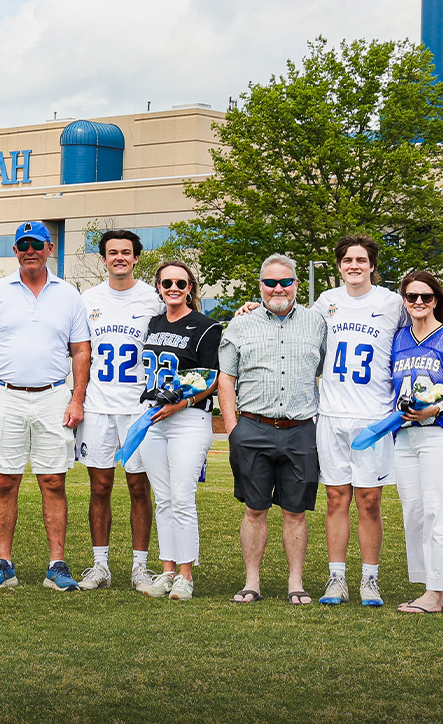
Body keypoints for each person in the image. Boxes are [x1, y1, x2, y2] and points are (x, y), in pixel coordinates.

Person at [0, 221, 92, 591]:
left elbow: (81, 350)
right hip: (5, 395)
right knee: (5, 481)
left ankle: (57, 565)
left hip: (54, 394)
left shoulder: (69, 294)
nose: (30, 250)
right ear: (16, 250)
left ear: (50, 248)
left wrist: (77, 397)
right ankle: (4, 563)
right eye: (23, 245)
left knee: (53, 481)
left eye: (36, 243)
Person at [217, 255, 328, 605]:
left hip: (300, 429)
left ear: (296, 283)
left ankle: (296, 583)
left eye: (285, 281)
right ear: (260, 285)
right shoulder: (240, 324)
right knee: (255, 508)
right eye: (270, 282)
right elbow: (226, 378)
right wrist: (234, 428)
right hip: (253, 428)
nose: (278, 288)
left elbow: (323, 367)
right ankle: (252, 582)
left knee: (296, 511)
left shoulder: (317, 323)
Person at [311, 235, 406, 607]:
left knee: (369, 501)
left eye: (361, 260)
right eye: (348, 260)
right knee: (336, 498)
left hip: (373, 416)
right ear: (338, 266)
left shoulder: (391, 302)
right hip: (332, 414)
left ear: (372, 265)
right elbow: (293, 323)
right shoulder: (326, 302)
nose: (354, 265)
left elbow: (423, 323)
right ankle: (337, 578)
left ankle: (370, 579)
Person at [74, 228, 162, 591]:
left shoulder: (153, 299)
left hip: (138, 406)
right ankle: (100, 565)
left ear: (137, 258)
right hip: (98, 405)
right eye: (113, 252)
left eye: (126, 252)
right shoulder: (87, 298)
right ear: (104, 258)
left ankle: (139, 567)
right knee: (100, 486)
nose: (120, 258)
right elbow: (78, 349)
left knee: (139, 486)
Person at [388, 273, 443, 613]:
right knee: (413, 511)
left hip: (442, 432)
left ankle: (438, 591)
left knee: (438, 508)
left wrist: (435, 407)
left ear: (437, 300)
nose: (419, 303)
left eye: (426, 297)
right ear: (404, 300)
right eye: (412, 297)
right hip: (405, 434)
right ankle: (428, 585)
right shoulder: (398, 338)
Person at [134, 261, 223, 601]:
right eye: (166, 282)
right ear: (158, 286)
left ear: (190, 288)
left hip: (188, 419)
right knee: (164, 500)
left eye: (180, 283)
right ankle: (167, 569)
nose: (173, 287)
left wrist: (181, 404)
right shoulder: (153, 323)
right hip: (155, 418)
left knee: (183, 498)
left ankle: (186, 574)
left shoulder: (205, 326)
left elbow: (212, 378)